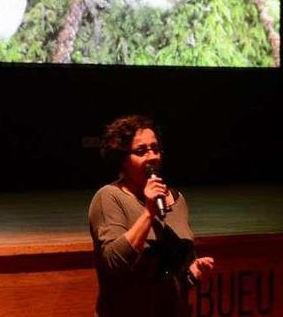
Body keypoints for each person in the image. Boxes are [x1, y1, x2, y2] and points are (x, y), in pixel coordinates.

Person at [88, 115, 215, 317]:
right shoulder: (109, 197)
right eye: (141, 151)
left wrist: (192, 273)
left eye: (155, 149)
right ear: (122, 159)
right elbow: (113, 262)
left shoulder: (177, 199)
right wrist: (148, 212)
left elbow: (168, 274)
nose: (152, 156)